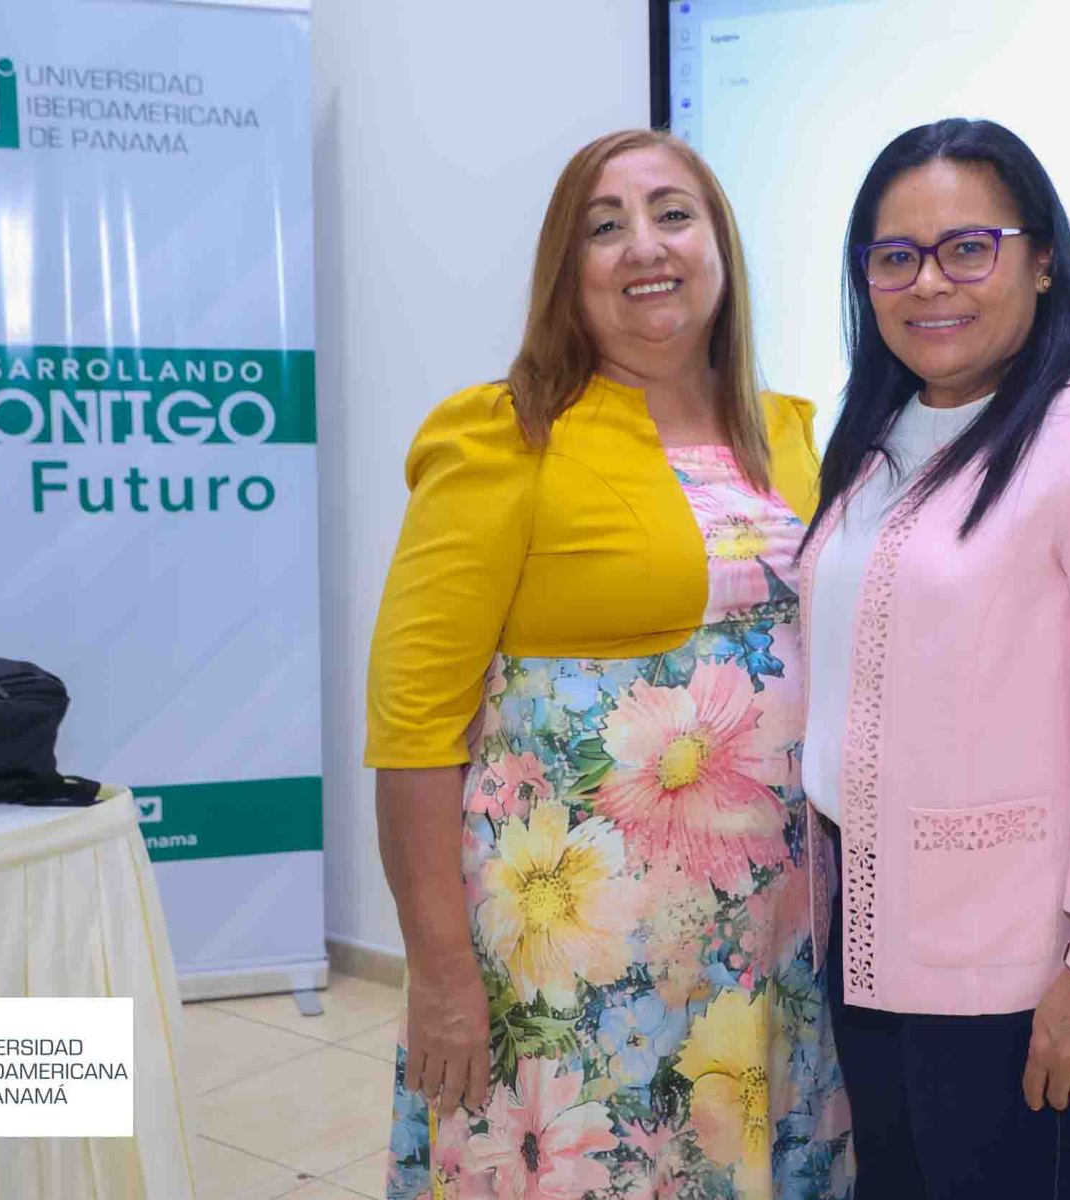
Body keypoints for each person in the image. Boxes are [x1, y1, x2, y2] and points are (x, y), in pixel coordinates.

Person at [365, 128, 852, 1200]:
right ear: (567, 270)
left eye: (673, 213)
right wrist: (440, 973)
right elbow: (412, 733)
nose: (645, 245)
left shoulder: (791, 435)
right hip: (577, 956)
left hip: (769, 946)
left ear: (719, 244)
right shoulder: (503, 435)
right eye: (604, 225)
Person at [799, 117, 1070, 1199]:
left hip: (1024, 964)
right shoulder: (881, 436)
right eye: (896, 257)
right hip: (871, 932)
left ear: (1041, 260)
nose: (930, 283)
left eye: (968, 248)